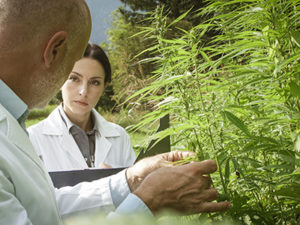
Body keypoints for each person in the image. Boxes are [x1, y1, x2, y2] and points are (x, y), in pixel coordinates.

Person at [0, 0, 231, 224]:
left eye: (95, 82)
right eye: (73, 71)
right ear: (54, 50)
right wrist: (149, 202)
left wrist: (131, 180)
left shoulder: (10, 123)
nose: (83, 91)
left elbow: (46, 208)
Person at [28, 44, 136, 171]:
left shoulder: (120, 137)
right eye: (74, 78)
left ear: (104, 87)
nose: (84, 91)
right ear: (60, 79)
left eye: (95, 82)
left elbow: (136, 188)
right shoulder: (32, 139)